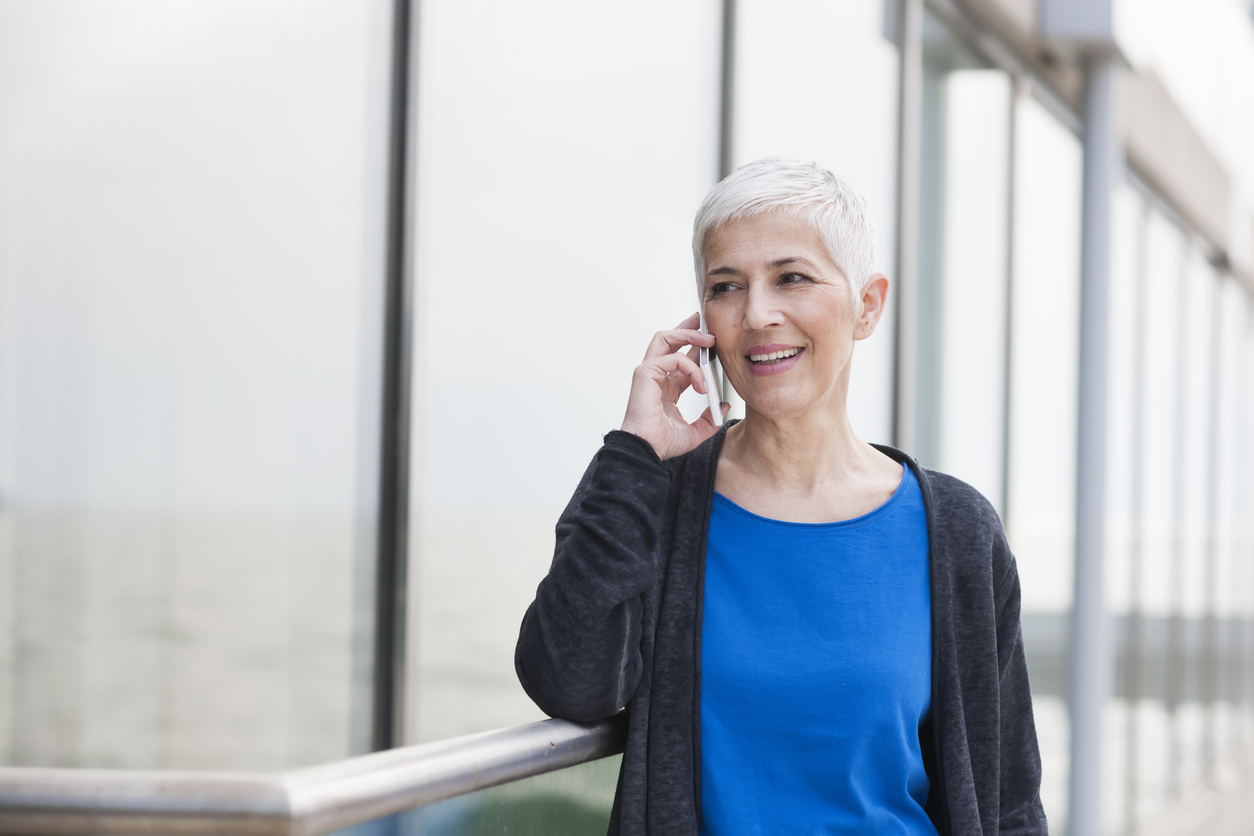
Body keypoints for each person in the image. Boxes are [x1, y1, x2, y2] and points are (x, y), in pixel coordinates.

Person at [515, 158, 1046, 836]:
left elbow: (1009, 800)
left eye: (791, 277)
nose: (758, 315)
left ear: (868, 305)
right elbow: (570, 682)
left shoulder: (958, 533)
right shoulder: (661, 502)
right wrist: (634, 453)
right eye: (726, 286)